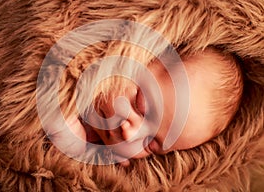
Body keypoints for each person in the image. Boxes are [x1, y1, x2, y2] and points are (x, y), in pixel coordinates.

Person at [47, 48, 243, 165]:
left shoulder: (95, 150)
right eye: (140, 106)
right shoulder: (80, 57)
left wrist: (76, 146)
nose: (130, 134)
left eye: (150, 143)